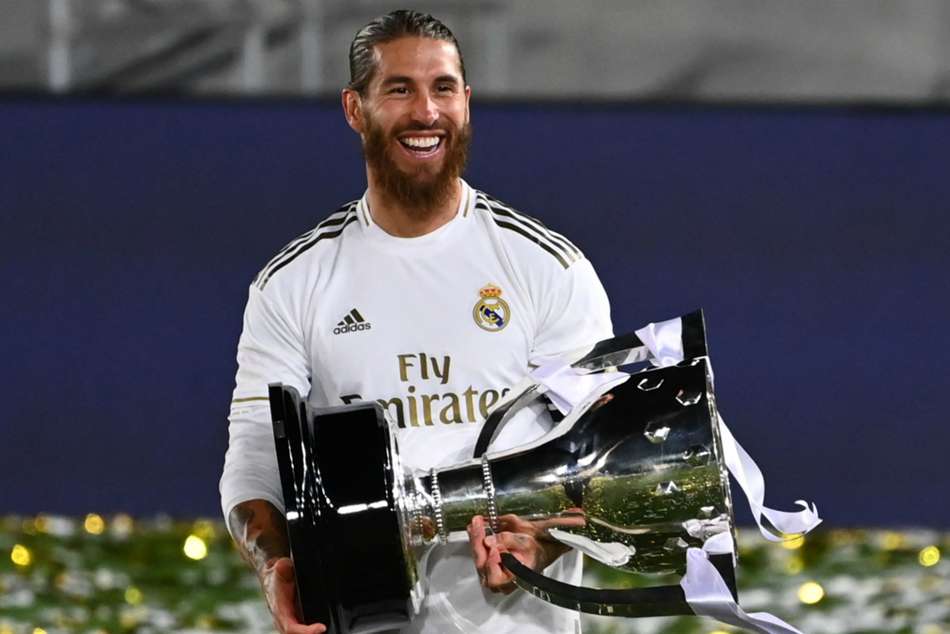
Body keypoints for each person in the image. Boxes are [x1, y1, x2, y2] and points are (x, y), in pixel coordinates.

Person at [219, 10, 612, 634]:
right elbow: (255, 456)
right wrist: (273, 564)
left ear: (466, 102)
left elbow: (599, 455)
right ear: (355, 109)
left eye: (443, 88)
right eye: (399, 89)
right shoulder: (291, 284)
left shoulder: (548, 269)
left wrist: (543, 542)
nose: (426, 112)